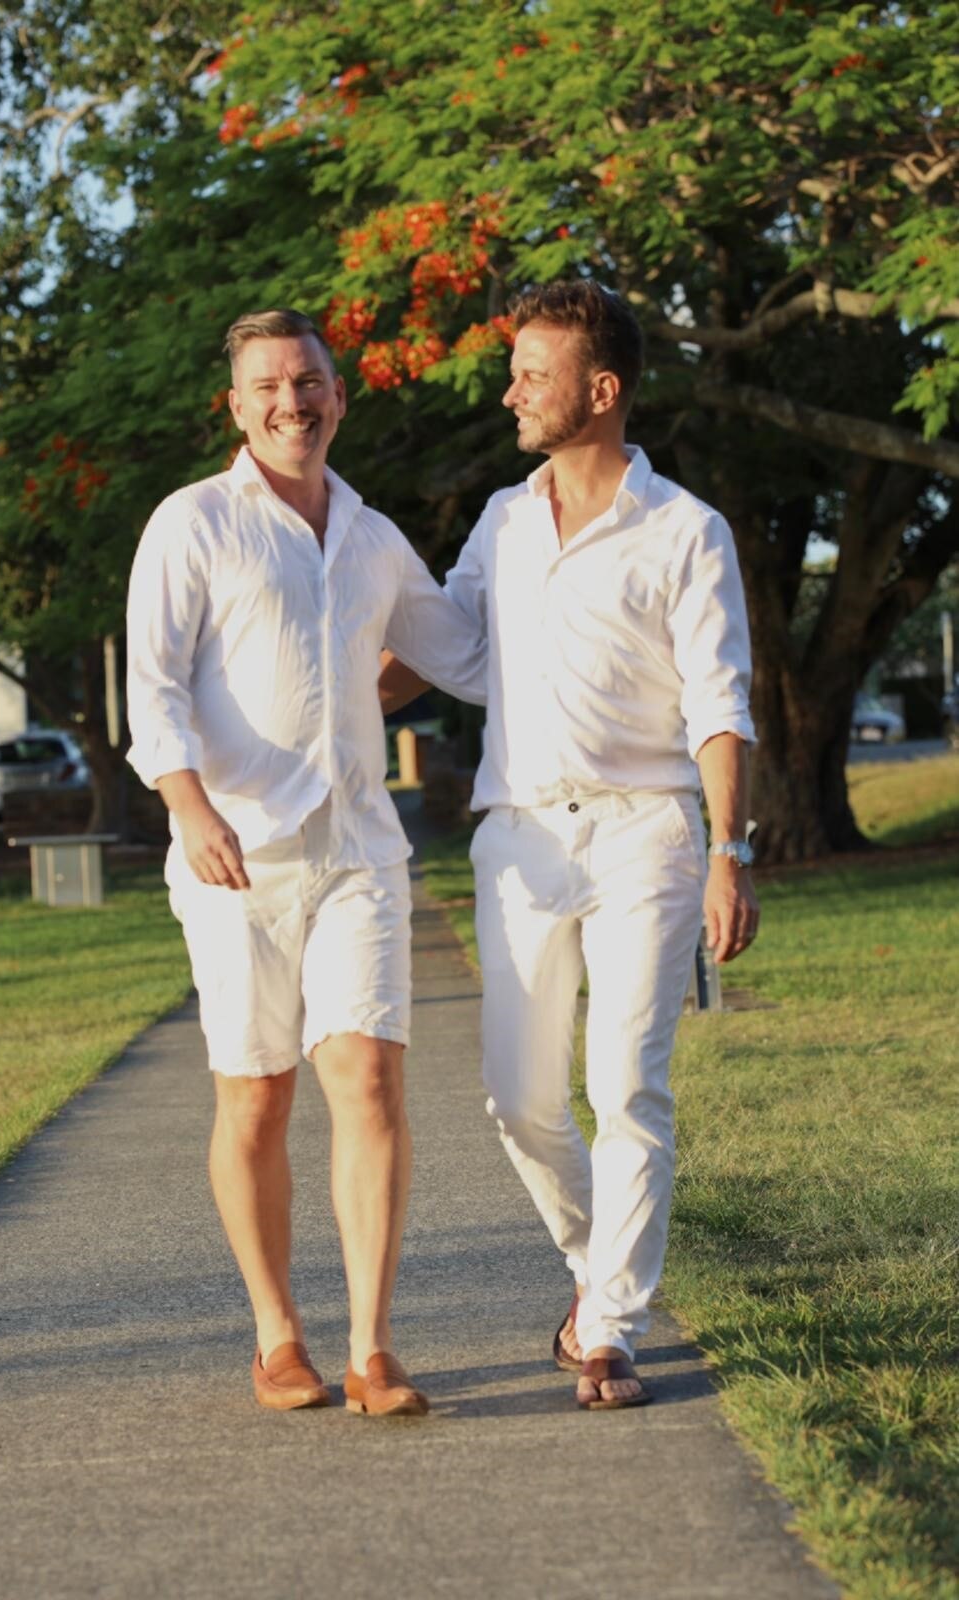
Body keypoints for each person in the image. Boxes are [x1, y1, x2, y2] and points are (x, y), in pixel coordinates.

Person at [380, 280, 759, 1409]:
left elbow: (720, 705)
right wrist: (336, 709)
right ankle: (597, 1275)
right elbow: (451, 643)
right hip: (520, 837)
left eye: (531, 374)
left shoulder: (688, 529)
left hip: (649, 833)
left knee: (625, 1085)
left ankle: (609, 1331)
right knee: (520, 1096)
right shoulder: (502, 518)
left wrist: (730, 850)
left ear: (600, 391)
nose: (511, 393)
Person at [126, 308, 485, 1418]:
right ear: (237, 407)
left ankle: (374, 1348)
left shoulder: (372, 534)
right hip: (232, 855)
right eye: (270, 386)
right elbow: (154, 685)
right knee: (259, 1095)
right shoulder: (192, 523)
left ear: (340, 393)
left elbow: (461, 650)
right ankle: (278, 1335)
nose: (294, 402)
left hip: (358, 850)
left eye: (311, 381)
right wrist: (188, 805)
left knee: (368, 1077)